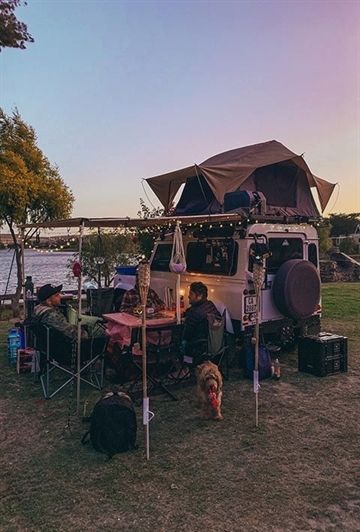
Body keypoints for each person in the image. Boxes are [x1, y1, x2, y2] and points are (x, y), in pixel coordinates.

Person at [34, 284, 104, 340]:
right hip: (67, 348)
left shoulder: (38, 311)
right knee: (102, 332)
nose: (60, 297)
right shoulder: (51, 315)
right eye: (56, 295)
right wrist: (86, 333)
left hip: (55, 345)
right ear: (48, 301)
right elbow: (70, 332)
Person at [181, 281, 221, 353]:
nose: (188, 296)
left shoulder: (195, 313)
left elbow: (187, 333)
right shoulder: (210, 305)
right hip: (213, 344)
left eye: (191, 294)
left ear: (199, 296)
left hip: (197, 347)